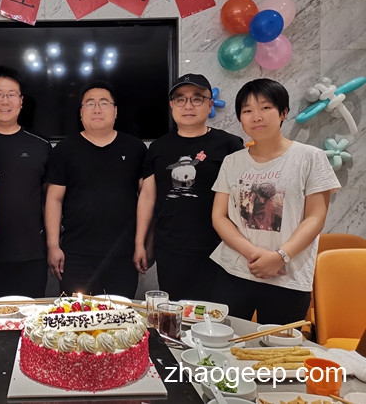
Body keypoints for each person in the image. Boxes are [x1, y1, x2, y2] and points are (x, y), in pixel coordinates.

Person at [210, 78, 341, 324]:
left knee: (278, 344)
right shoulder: (232, 161)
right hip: (235, 271)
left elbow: (315, 217)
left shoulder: (310, 157)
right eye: (247, 111)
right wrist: (252, 253)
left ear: (284, 112)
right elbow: (219, 216)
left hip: (287, 276)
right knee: (224, 339)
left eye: (266, 107)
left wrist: (280, 256)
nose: (256, 117)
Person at [134, 74, 244, 301]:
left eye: (197, 98)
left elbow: (242, 197)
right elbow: (148, 197)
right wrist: (141, 243)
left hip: (218, 248)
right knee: (176, 313)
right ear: (172, 105)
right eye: (181, 99)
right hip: (170, 248)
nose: (188, 105)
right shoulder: (158, 147)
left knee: (215, 314)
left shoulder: (229, 144)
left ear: (210, 104)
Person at [45, 80, 147, 298]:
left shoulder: (135, 148)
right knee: (76, 315)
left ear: (115, 111)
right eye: (90, 103)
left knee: (120, 315)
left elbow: (147, 198)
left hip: (123, 255)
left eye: (104, 103)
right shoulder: (64, 150)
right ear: (81, 112)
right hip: (76, 255)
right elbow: (54, 200)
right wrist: (53, 245)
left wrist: (141, 244)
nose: (97, 109)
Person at [0, 66, 51, 299]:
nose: (5, 101)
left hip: (31, 253)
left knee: (32, 317)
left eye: (11, 94)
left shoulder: (41, 145)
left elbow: (50, 199)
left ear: (21, 101)